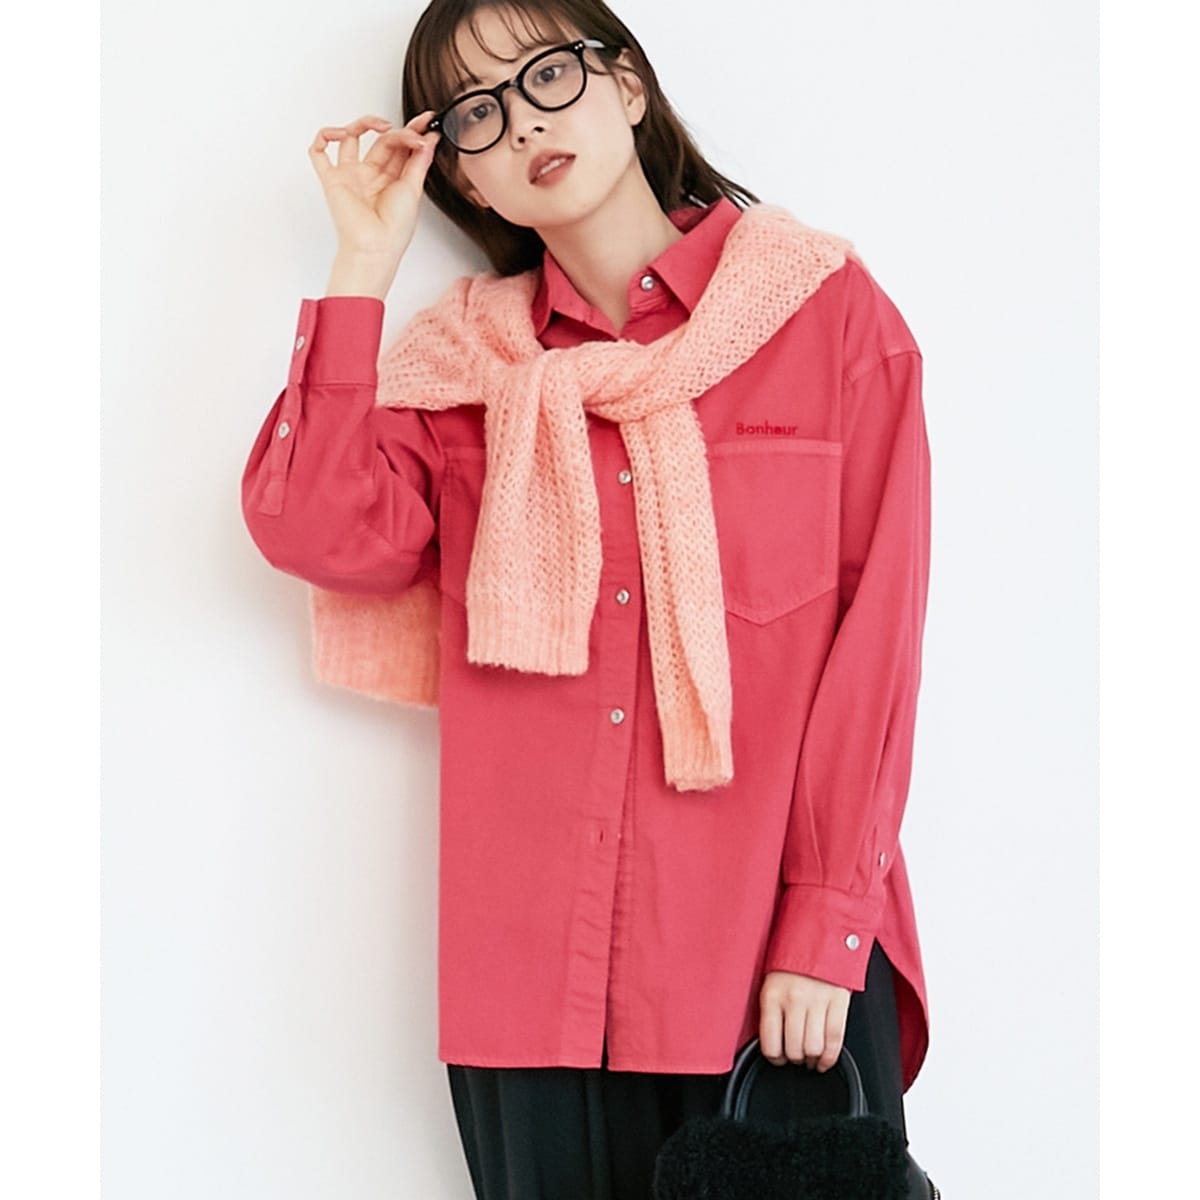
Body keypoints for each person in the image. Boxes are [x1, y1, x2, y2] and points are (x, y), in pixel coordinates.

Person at [240, 1, 934, 1197]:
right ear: (467, 179)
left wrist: (827, 922)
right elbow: (317, 531)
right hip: (532, 989)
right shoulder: (465, 373)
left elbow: (878, 644)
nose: (522, 122)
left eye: (547, 75)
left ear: (626, 84)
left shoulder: (823, 316)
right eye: (478, 112)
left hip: (766, 969)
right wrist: (362, 268)